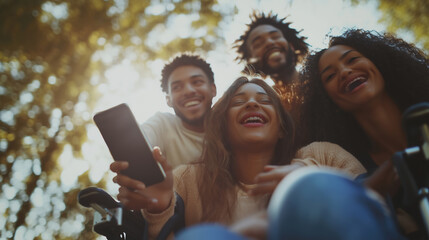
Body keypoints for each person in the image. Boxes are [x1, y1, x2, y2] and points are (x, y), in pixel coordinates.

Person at [110, 77, 366, 239]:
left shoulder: (323, 156)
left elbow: (380, 209)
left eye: (264, 100)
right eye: (239, 102)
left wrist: (309, 180)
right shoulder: (186, 179)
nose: (252, 105)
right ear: (222, 127)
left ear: (282, 128)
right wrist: (159, 208)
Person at [298, 29, 429, 238]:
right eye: (330, 76)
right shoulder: (355, 172)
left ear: (379, 64)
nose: (345, 71)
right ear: (329, 102)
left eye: (352, 60)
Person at [140, 54, 217, 168]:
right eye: (177, 87)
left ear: (213, 89)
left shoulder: (232, 125)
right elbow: (139, 141)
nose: (188, 91)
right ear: (168, 100)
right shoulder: (163, 124)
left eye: (197, 82)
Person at [234, 11, 309, 112]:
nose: (269, 42)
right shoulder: (263, 108)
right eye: (258, 44)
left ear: (290, 45)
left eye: (275, 36)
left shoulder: (323, 81)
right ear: (251, 61)